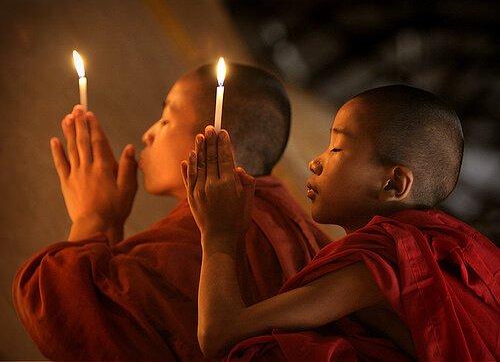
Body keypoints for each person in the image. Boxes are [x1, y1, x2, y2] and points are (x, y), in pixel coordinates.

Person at [12, 63, 332, 361]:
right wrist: (109, 223)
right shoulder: (296, 226)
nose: (148, 133)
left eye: (166, 119)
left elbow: (64, 313)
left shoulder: (203, 231)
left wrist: (92, 218)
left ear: (216, 143)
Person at [184, 85, 500, 361]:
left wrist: (218, 234)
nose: (315, 162)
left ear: (393, 184)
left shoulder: (378, 268)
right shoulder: (409, 253)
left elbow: (221, 333)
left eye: (337, 148)